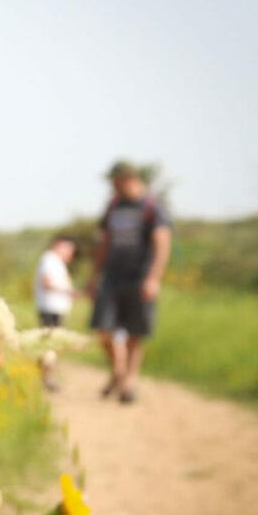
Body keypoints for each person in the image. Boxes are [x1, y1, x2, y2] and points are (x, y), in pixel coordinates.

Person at [88, 160, 172, 404]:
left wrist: (153, 279)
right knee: (103, 331)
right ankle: (119, 372)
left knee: (135, 334)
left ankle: (128, 382)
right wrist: (94, 277)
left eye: (114, 181)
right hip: (112, 278)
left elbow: (162, 245)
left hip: (140, 278)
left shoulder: (152, 207)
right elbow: (104, 244)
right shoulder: (113, 206)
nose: (112, 186)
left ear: (128, 178)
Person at [33, 235, 78, 391]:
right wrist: (69, 292)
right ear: (59, 245)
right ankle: (45, 378)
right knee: (49, 345)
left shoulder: (55, 262)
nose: (70, 254)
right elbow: (47, 282)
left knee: (51, 344)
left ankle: (45, 377)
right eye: (69, 249)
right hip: (50, 309)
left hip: (55, 309)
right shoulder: (50, 259)